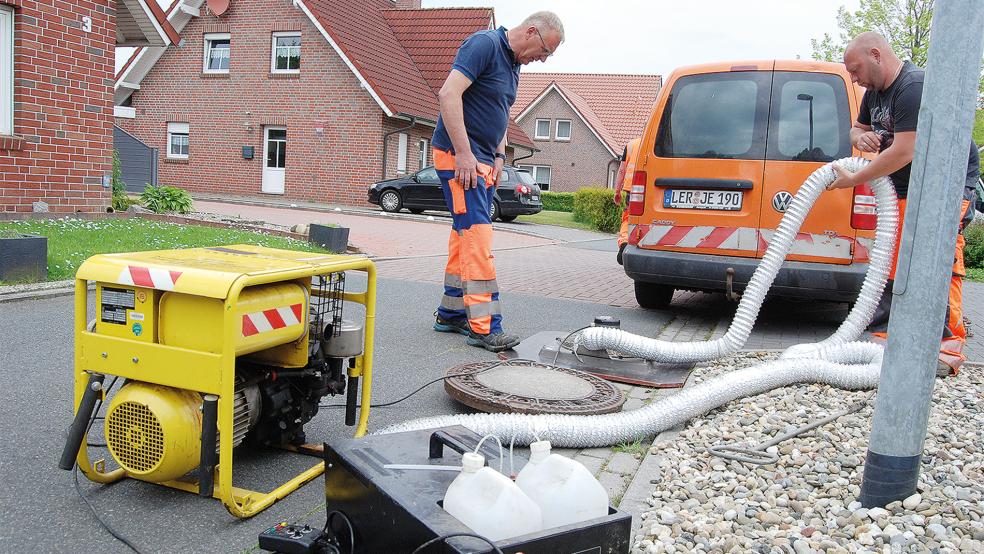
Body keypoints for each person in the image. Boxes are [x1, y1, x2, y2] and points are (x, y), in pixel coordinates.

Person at [827, 31, 980, 376]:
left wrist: (854, 179)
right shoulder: (874, 93)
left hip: (946, 186)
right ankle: (886, 340)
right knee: (892, 259)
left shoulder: (913, 86)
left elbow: (904, 150)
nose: (853, 78)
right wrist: (859, 137)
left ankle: (945, 350)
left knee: (938, 261)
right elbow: (857, 127)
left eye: (855, 69)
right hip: (906, 185)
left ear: (877, 55)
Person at [430, 11, 564, 352]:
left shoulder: (513, 65)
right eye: (546, 50)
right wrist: (463, 154)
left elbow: (499, 113)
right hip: (461, 160)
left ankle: (452, 312)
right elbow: (449, 95)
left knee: (465, 236)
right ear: (532, 31)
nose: (543, 59)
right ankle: (485, 326)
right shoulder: (484, 45)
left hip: (485, 162)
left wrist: (501, 156)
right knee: (478, 238)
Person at [614, 137, 641, 265]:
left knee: (628, 218)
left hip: (632, 189)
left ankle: (624, 242)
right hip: (653, 189)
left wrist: (617, 192)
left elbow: (621, 170)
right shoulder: (659, 142)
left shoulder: (631, 145)